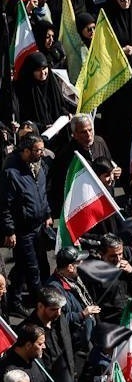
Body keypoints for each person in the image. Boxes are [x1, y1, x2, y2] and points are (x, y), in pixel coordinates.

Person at [1, 134, 51, 315]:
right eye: (38, 150)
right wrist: (10, 231)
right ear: (26, 151)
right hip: (23, 230)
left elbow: (41, 193)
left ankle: (14, 299)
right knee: (32, 268)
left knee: (23, 265)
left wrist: (47, 213)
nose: (42, 153)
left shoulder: (38, 166)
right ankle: (40, 307)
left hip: (38, 225)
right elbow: (4, 205)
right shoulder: (11, 173)